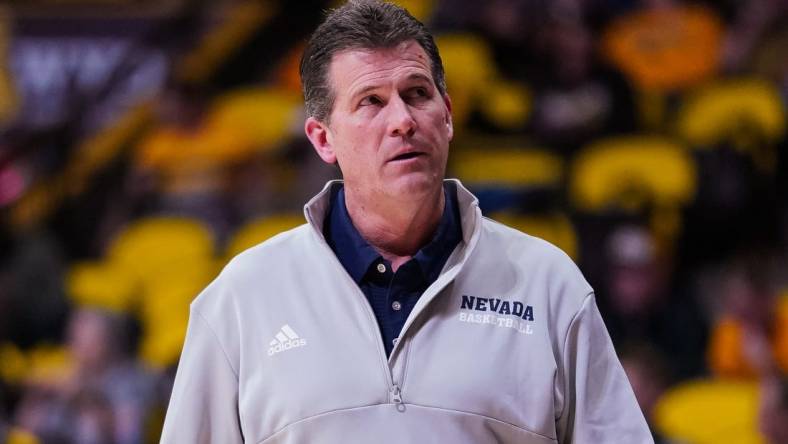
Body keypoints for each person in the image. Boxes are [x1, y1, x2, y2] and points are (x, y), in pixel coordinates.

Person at [160, 1, 652, 442]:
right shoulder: (243, 298)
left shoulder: (547, 282)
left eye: (417, 93)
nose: (402, 119)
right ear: (323, 139)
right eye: (370, 101)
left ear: (448, 115)